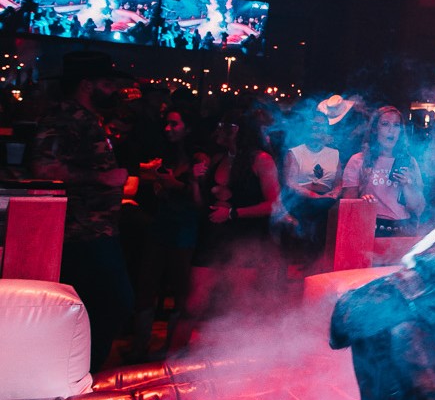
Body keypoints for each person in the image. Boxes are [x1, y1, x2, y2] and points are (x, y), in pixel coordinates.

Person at [31, 51, 135, 371]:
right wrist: (101, 177)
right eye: (107, 83)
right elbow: (42, 166)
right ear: (87, 85)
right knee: (114, 301)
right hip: (81, 230)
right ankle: (80, 374)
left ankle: (78, 374)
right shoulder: (64, 116)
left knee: (97, 305)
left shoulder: (88, 118)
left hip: (97, 228)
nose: (113, 90)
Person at [189, 111, 282, 318]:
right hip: (212, 239)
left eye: (225, 124)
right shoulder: (218, 159)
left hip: (244, 239)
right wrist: (194, 182)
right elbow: (202, 206)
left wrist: (233, 213)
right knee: (193, 305)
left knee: (237, 307)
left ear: (238, 130)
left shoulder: (261, 160)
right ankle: (179, 350)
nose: (219, 129)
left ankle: (234, 349)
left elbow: (274, 205)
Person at [129, 108, 203, 359]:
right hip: (162, 224)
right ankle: (140, 346)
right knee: (146, 285)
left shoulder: (199, 158)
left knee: (180, 290)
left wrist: (175, 186)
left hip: (185, 227)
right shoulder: (167, 155)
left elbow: (201, 199)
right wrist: (161, 187)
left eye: (174, 124)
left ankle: (172, 349)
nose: (167, 129)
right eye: (166, 124)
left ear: (188, 127)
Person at [341, 106, 426, 236]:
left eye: (396, 125)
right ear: (375, 129)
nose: (391, 130)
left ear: (400, 132)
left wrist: (408, 185)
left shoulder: (409, 162)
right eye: (385, 124)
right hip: (369, 229)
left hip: (402, 230)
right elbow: (348, 207)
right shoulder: (358, 160)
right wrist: (362, 203)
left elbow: (418, 209)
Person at [278, 110, 342, 258]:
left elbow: (339, 182)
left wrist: (335, 193)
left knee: (327, 215)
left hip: (326, 201)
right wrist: (314, 196)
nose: (316, 128)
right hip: (302, 200)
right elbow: (290, 182)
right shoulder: (294, 152)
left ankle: (318, 262)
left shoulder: (334, 153)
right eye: (313, 125)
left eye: (320, 125)